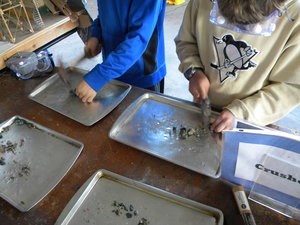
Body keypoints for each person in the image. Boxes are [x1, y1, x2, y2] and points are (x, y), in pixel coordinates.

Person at [175, 0, 300, 132]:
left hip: (256, 119)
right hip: (205, 107)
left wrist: (242, 113)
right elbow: (186, 41)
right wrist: (194, 71)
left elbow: (291, 87)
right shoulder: (202, 2)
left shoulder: (295, 16)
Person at [75, 0, 167, 103]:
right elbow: (104, 14)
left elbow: (138, 39)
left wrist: (99, 76)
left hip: (142, 74)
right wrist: (96, 35)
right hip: (113, 71)